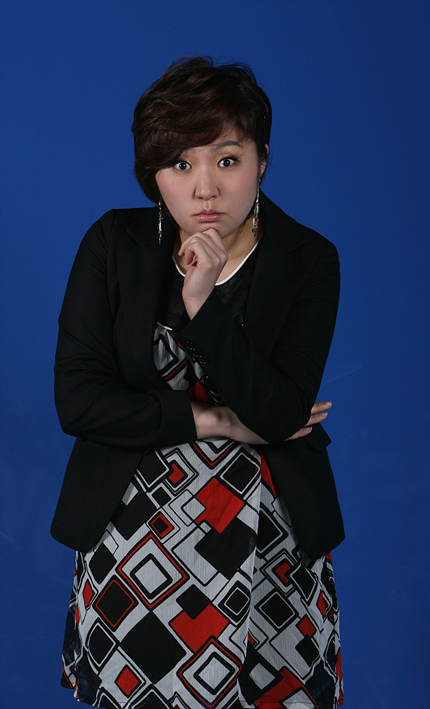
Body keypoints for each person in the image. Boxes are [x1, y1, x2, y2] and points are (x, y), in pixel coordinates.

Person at [51, 56, 344, 709]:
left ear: (262, 160)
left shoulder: (307, 258)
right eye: (180, 164)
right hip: (134, 532)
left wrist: (203, 304)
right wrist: (210, 419)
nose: (205, 188)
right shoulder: (113, 243)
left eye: (227, 159)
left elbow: (278, 412)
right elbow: (78, 401)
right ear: (153, 174)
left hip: (267, 534)